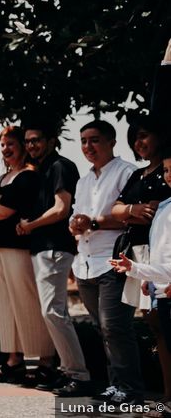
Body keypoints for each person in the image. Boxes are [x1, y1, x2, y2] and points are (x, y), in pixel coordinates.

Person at [0, 126, 55, 384]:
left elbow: (0, 212)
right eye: (2, 145)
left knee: (26, 303)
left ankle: (42, 360)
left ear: (21, 146)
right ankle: (14, 359)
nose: (6, 149)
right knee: (6, 306)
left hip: (19, 247)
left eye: (11, 144)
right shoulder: (2, 179)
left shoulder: (28, 177)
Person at [65, 120, 138, 398]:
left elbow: (131, 218)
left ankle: (129, 388)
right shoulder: (83, 181)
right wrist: (75, 224)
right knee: (101, 328)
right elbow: (77, 217)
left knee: (115, 327)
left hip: (113, 259)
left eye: (94, 140)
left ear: (111, 142)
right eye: (83, 141)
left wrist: (93, 223)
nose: (88, 146)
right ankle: (114, 385)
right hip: (85, 263)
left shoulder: (126, 173)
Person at [16, 119, 87, 390]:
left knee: (53, 312)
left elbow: (61, 209)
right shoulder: (42, 169)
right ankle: (66, 370)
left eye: (36, 140)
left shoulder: (60, 166)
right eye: (28, 141)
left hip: (55, 247)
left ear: (50, 141)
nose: (31, 145)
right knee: (52, 312)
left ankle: (77, 375)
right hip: (43, 248)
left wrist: (29, 225)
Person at [110, 148, 171, 413]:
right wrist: (140, 271)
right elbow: (162, 251)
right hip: (163, 287)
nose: (169, 175)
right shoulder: (165, 206)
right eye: (167, 170)